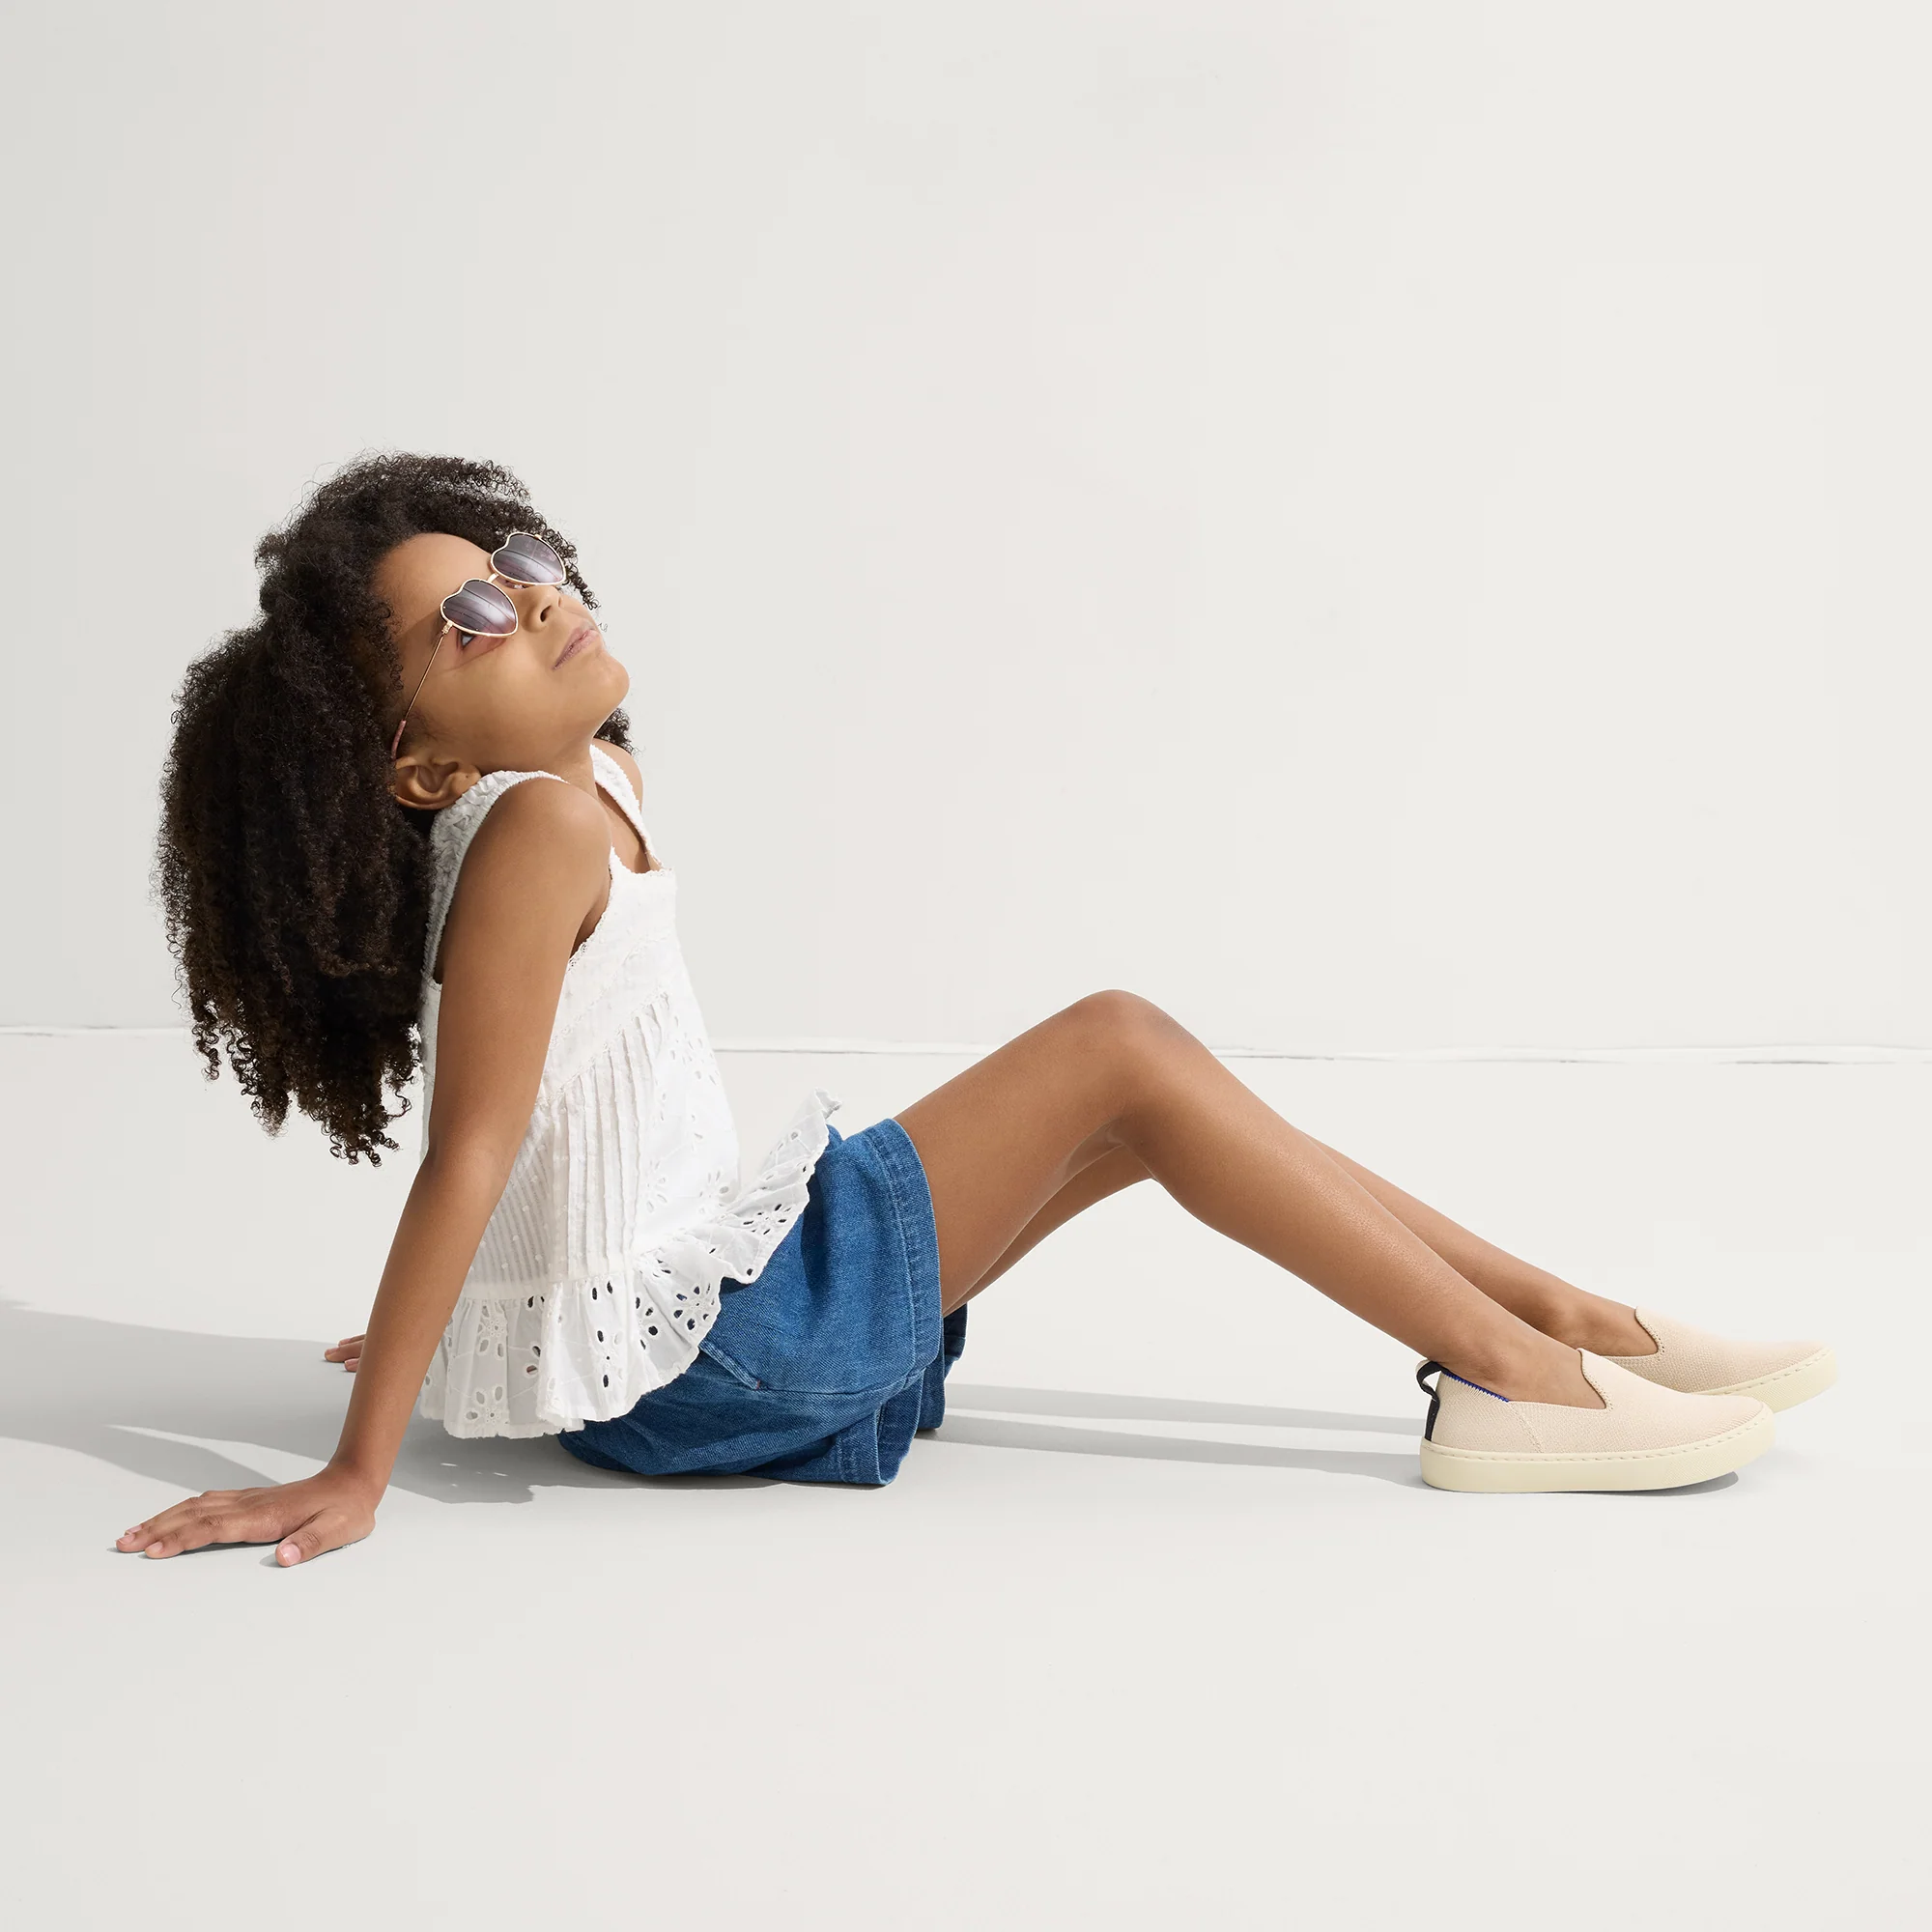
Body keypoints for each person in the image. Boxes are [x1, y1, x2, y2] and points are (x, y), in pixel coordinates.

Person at [121, 454, 1835, 1566]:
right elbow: (475, 1144)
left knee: (1151, 1108)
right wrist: (360, 1464)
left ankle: (1573, 1324)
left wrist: (485, 1322)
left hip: (715, 1312)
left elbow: (559, 1114)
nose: (538, 598)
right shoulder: (535, 831)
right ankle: (1518, 1378)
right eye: (473, 620)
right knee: (1122, 1046)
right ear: (418, 766)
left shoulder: (593, 780)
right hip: (715, 1359)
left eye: (523, 561)